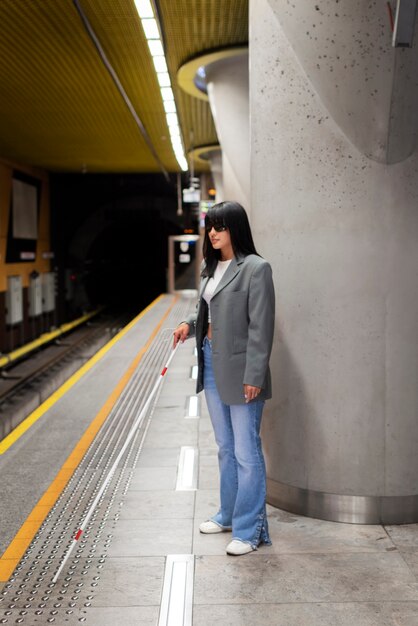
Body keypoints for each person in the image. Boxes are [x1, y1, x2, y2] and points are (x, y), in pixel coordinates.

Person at [173, 201, 275, 556]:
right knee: (225, 448)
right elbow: (207, 308)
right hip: (211, 364)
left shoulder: (256, 269)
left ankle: (249, 531)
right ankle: (229, 514)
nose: (213, 233)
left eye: (220, 226)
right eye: (210, 226)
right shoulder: (208, 267)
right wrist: (189, 325)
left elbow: (262, 329)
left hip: (243, 370)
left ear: (236, 229)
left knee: (247, 452)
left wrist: (255, 375)